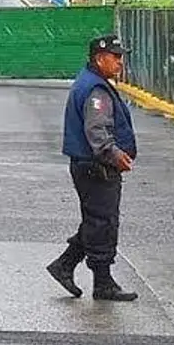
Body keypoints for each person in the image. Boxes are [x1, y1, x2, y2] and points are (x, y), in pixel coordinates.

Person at [47, 34, 138, 302]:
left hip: (91, 166)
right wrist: (113, 153)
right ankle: (101, 282)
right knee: (102, 222)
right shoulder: (95, 90)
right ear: (100, 58)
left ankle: (67, 266)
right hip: (95, 167)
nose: (120, 62)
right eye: (115, 57)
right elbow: (97, 130)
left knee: (97, 222)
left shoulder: (93, 83)